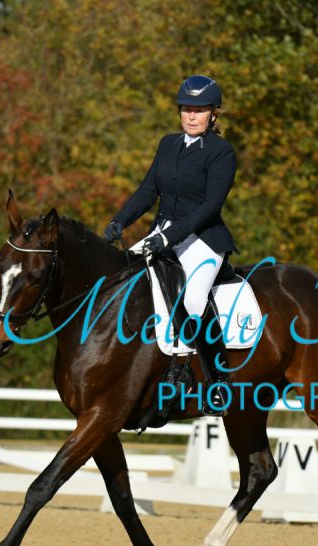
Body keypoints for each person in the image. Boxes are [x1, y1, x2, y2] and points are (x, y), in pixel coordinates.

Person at [103, 75, 237, 415]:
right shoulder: (168, 144)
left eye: (199, 110)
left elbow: (210, 206)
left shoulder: (221, 152)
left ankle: (218, 381)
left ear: (213, 114)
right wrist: (120, 221)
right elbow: (148, 191)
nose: (191, 116)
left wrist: (168, 236)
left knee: (192, 299)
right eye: (186, 109)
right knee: (121, 281)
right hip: (162, 234)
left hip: (203, 240)